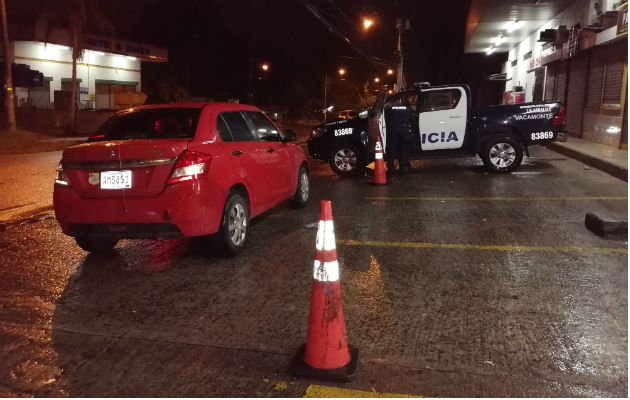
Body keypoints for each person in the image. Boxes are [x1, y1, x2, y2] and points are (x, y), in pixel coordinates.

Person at [384, 96, 416, 175]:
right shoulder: (407, 109)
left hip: (392, 132)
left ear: (394, 102)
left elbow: (385, 120)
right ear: (400, 101)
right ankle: (402, 170)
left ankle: (390, 171)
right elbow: (413, 120)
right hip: (404, 131)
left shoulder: (389, 110)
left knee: (391, 151)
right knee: (403, 150)